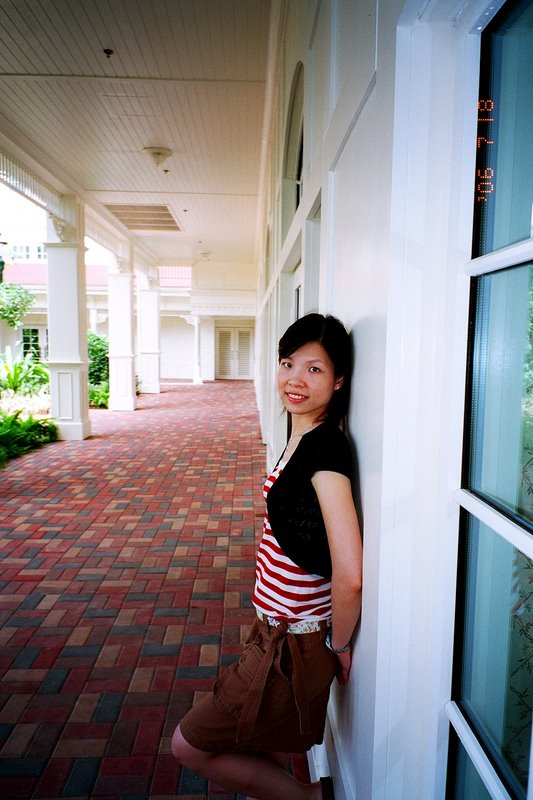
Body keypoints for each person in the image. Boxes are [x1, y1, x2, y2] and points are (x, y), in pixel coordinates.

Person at [172, 313, 363, 800]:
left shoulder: (326, 452)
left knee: (188, 746)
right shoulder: (301, 435)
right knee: (263, 751)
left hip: (295, 645)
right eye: (287, 363)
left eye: (314, 369)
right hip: (275, 632)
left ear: (339, 380)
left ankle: (310, 798)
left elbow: (350, 573)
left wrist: (339, 645)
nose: (295, 379)